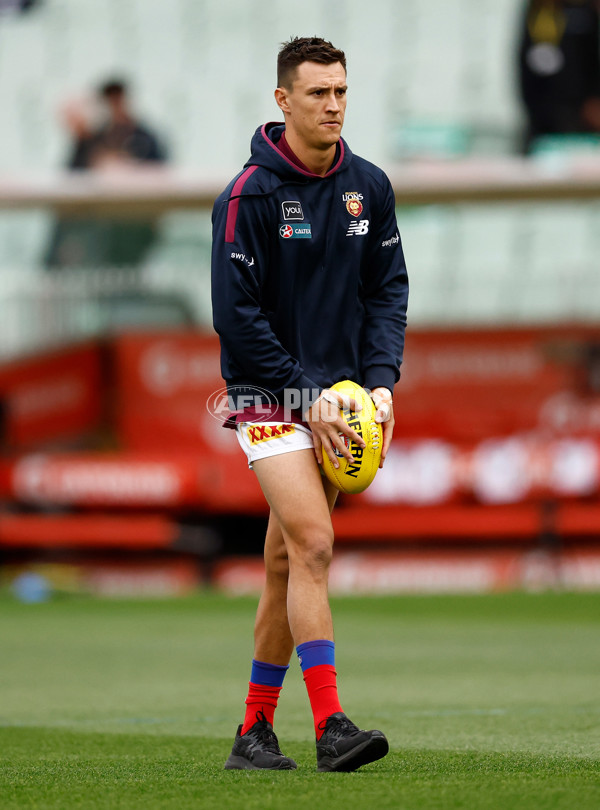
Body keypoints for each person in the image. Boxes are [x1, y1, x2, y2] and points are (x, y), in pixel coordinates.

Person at [211, 36, 408, 772]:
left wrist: (380, 382)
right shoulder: (247, 198)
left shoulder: (369, 186)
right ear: (282, 100)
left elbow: (389, 289)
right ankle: (332, 727)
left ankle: (253, 734)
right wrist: (308, 392)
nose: (333, 104)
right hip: (270, 398)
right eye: (318, 92)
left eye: (342, 91)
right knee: (315, 545)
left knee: (285, 564)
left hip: (343, 401)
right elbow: (237, 321)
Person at [45, 78, 167, 268]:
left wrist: (125, 170)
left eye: (117, 98)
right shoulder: (94, 139)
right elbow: (71, 180)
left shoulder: (146, 138)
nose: (115, 105)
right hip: (100, 230)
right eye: (109, 100)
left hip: (136, 226)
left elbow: (162, 177)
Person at [518, 0, 600, 153]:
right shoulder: (541, 11)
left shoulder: (586, 11)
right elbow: (534, 66)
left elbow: (591, 60)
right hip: (545, 124)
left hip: (586, 122)